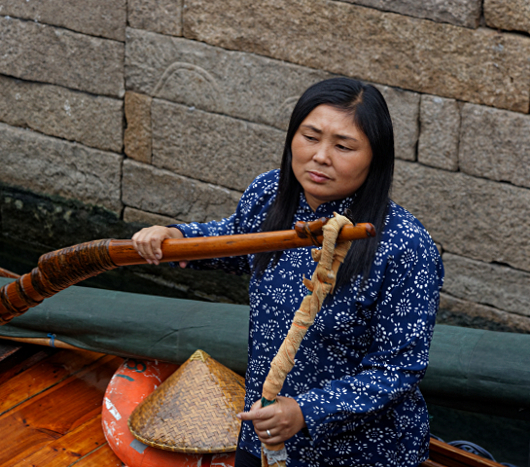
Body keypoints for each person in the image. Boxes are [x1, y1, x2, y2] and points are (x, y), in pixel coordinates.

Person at [131, 77, 444, 467]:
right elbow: (233, 240)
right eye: (310, 137)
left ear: (375, 158)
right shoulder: (270, 195)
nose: (320, 157)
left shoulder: (405, 246)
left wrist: (304, 411)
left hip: (362, 452)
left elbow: (397, 369)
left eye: (343, 146)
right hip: (263, 430)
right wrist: (175, 236)